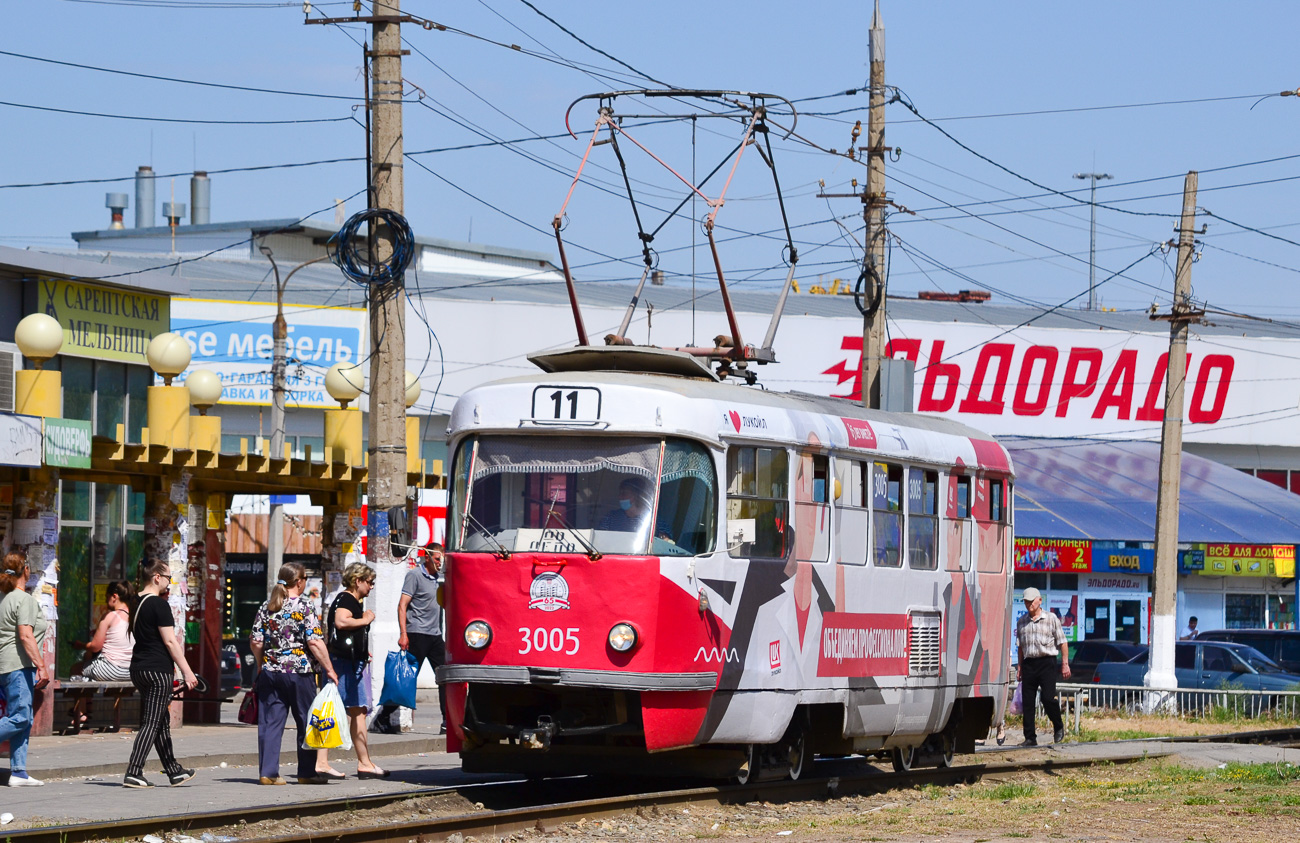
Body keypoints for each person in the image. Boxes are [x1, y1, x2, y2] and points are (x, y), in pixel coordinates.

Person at [251, 562, 338, 786]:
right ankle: (307, 773)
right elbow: (315, 641)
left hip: (271, 672)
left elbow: (256, 641)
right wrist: (329, 669)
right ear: (298, 582)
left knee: (271, 723)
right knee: (306, 721)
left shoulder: (267, 606)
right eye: (305, 579)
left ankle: (268, 773)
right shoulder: (304, 606)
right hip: (299, 672)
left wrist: (262, 664)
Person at [124, 561, 198, 788]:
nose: (169, 582)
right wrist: (188, 672)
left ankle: (174, 770)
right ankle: (134, 771)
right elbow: (170, 641)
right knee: (152, 722)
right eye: (168, 578)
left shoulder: (135, 602)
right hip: (158, 671)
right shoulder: (159, 604)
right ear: (157, 577)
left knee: (160, 722)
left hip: (139, 668)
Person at [375, 543, 447, 734]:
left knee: (445, 677)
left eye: (442, 559)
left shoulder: (439, 578)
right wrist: (403, 633)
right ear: (427, 557)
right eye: (438, 558)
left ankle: (447, 721)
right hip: (416, 634)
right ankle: (383, 716)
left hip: (435, 635)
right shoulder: (414, 575)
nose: (440, 563)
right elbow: (402, 605)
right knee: (405, 679)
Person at [325, 562, 387, 777]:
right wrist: (366, 619)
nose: (371, 586)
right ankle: (323, 762)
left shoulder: (351, 599)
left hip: (350, 662)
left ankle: (364, 762)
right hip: (344, 664)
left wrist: (362, 650)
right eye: (369, 582)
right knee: (332, 710)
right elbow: (341, 622)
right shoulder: (347, 599)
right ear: (357, 580)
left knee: (356, 710)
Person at [0, 552, 49, 787]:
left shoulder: (4, 598)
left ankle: (18, 772)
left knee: (24, 718)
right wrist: (42, 666)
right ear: (26, 571)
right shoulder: (24, 599)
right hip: (19, 665)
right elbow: (26, 635)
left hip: (7, 666)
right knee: (20, 717)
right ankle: (18, 771)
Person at [69, 580, 134, 729]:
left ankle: (81, 713)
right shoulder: (134, 617)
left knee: (76, 670)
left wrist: (80, 645)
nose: (106, 600)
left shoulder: (110, 616)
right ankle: (87, 708)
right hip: (130, 671)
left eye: (107, 596)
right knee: (87, 663)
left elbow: (96, 646)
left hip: (110, 669)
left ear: (114, 597)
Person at [1015, 587, 1070, 747]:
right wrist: (1019, 666)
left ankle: (1058, 725)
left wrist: (1065, 664)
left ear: (1039, 600)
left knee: (1047, 698)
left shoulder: (1051, 618)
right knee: (1028, 702)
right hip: (1029, 664)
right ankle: (1030, 737)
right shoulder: (1022, 621)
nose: (1029, 604)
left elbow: (1063, 642)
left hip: (1047, 662)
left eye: (1031, 601)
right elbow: (1020, 647)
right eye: (1026, 601)